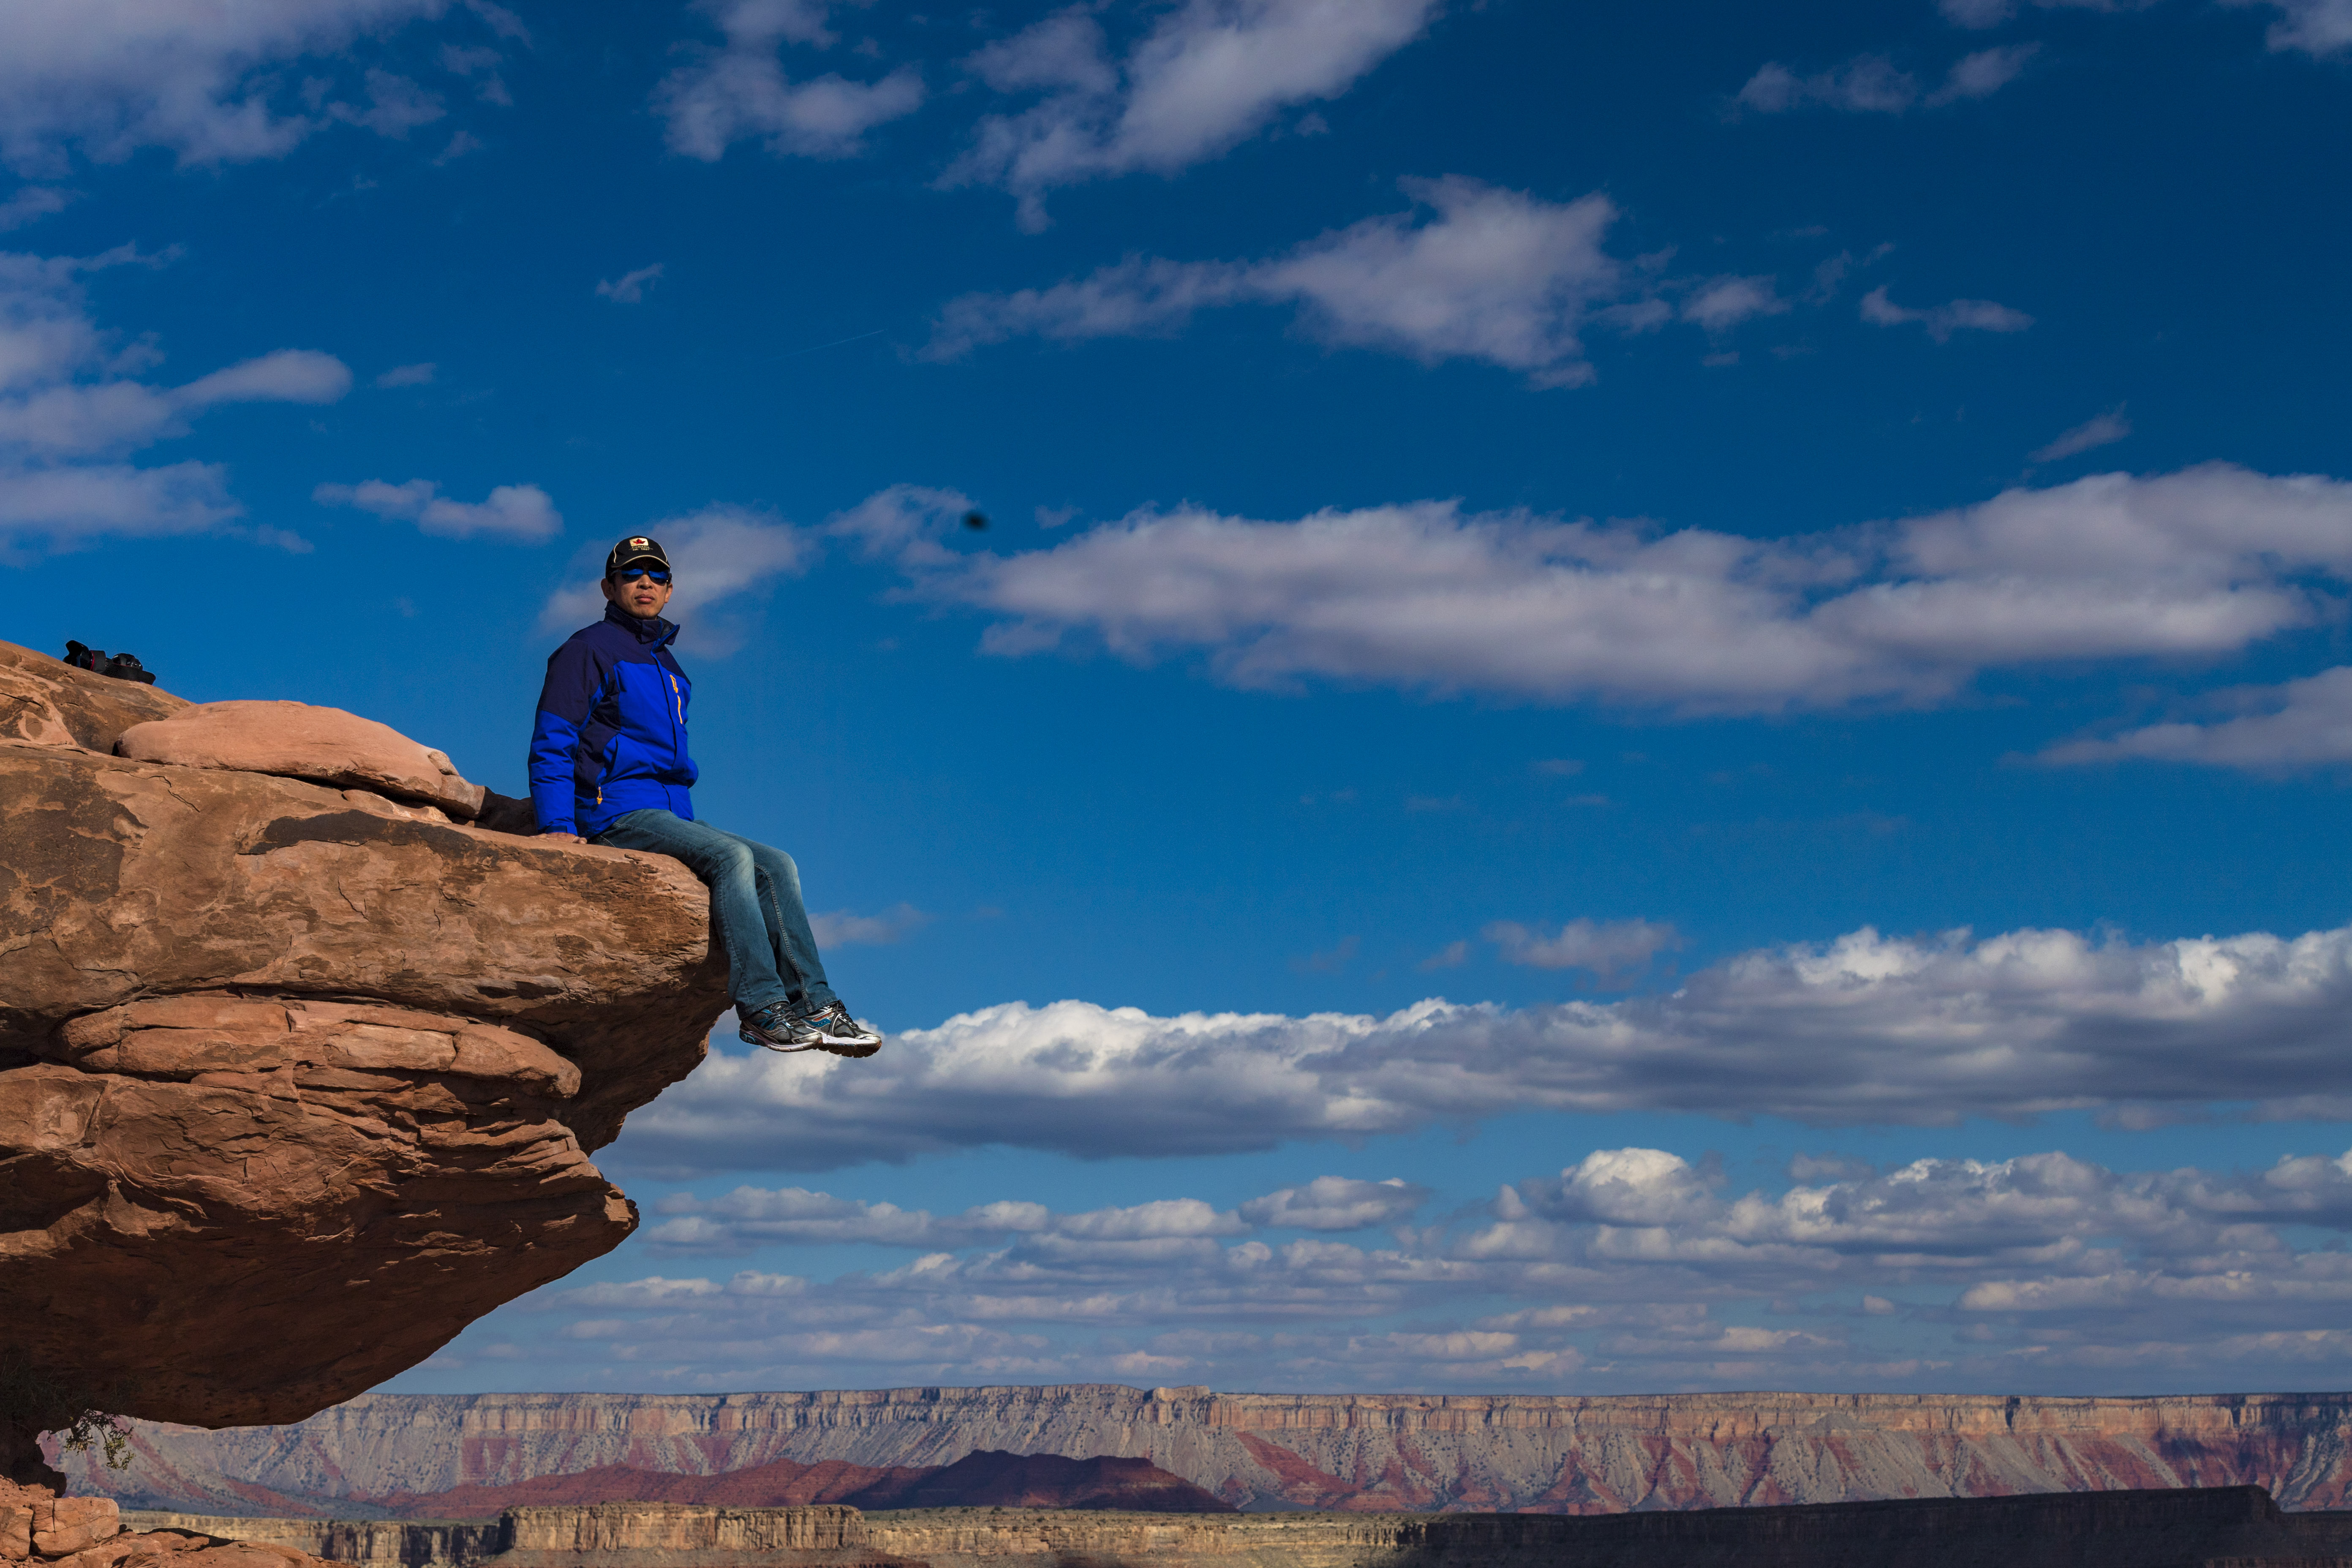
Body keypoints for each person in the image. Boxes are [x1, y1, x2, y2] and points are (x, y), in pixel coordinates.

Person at [529, 534, 882, 1056]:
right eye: (630, 575)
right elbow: (553, 740)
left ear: (670, 591)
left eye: (655, 576)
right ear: (608, 587)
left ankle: (818, 1005)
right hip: (614, 808)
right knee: (731, 857)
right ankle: (763, 1010)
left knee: (778, 864)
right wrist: (557, 826)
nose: (643, 583)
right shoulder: (587, 650)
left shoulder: (671, 668)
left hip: (674, 812)